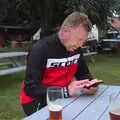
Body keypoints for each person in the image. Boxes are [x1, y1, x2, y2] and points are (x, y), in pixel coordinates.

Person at [20, 12, 103, 116]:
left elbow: (83, 74)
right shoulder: (40, 49)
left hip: (63, 96)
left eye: (83, 40)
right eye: (79, 39)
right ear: (65, 31)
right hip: (36, 100)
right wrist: (65, 91)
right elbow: (31, 88)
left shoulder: (76, 48)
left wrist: (89, 84)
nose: (81, 44)